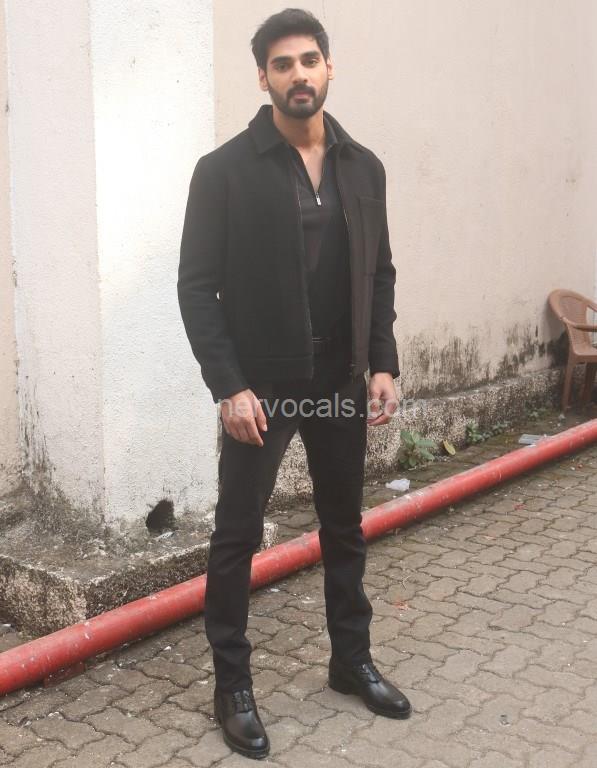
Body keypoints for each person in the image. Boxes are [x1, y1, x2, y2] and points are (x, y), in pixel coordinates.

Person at [178, 8, 411, 759]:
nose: (298, 74)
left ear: (328, 67)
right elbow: (196, 288)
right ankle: (232, 686)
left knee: (344, 526)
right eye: (282, 64)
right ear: (263, 78)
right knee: (237, 535)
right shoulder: (223, 172)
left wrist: (381, 362)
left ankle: (351, 661)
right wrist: (229, 386)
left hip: (341, 380)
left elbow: (379, 273)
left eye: (309, 60)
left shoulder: (363, 166)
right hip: (263, 390)